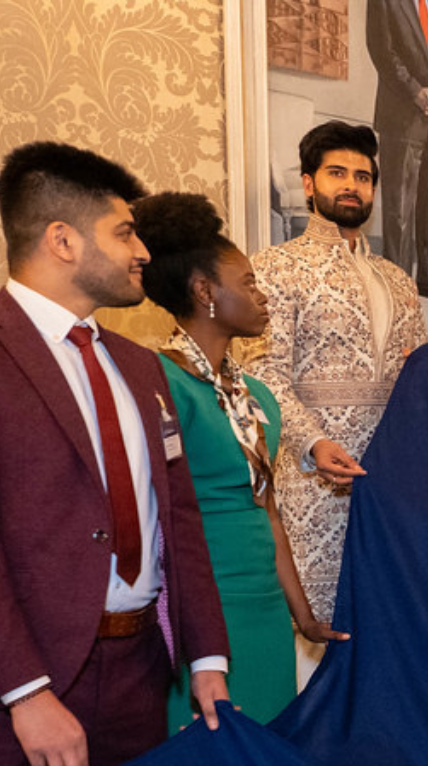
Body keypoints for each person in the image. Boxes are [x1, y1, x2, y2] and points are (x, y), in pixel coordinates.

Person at [0, 142, 230, 766]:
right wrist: (25, 693)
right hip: (20, 692)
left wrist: (205, 653)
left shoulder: (141, 368)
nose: (143, 251)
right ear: (63, 240)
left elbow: (183, 517)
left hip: (137, 681)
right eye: (125, 231)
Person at [132, 192, 348, 734]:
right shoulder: (162, 385)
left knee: (268, 753)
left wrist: (301, 616)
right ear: (205, 291)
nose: (261, 294)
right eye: (248, 282)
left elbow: (268, 509)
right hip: (201, 607)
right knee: (205, 765)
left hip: (265, 611)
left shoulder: (258, 397)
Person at [251, 121, 427, 627]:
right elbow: (262, 373)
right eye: (336, 173)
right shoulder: (275, 268)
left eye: (363, 176)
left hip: (389, 480)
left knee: (383, 618)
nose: (351, 185)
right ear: (309, 183)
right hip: (311, 478)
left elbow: (416, 375)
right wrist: (311, 443)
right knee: (315, 625)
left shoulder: (399, 280)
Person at [367, 0, 428, 304]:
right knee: (399, 207)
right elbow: (382, 52)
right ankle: (397, 281)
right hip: (403, 116)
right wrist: (416, 92)